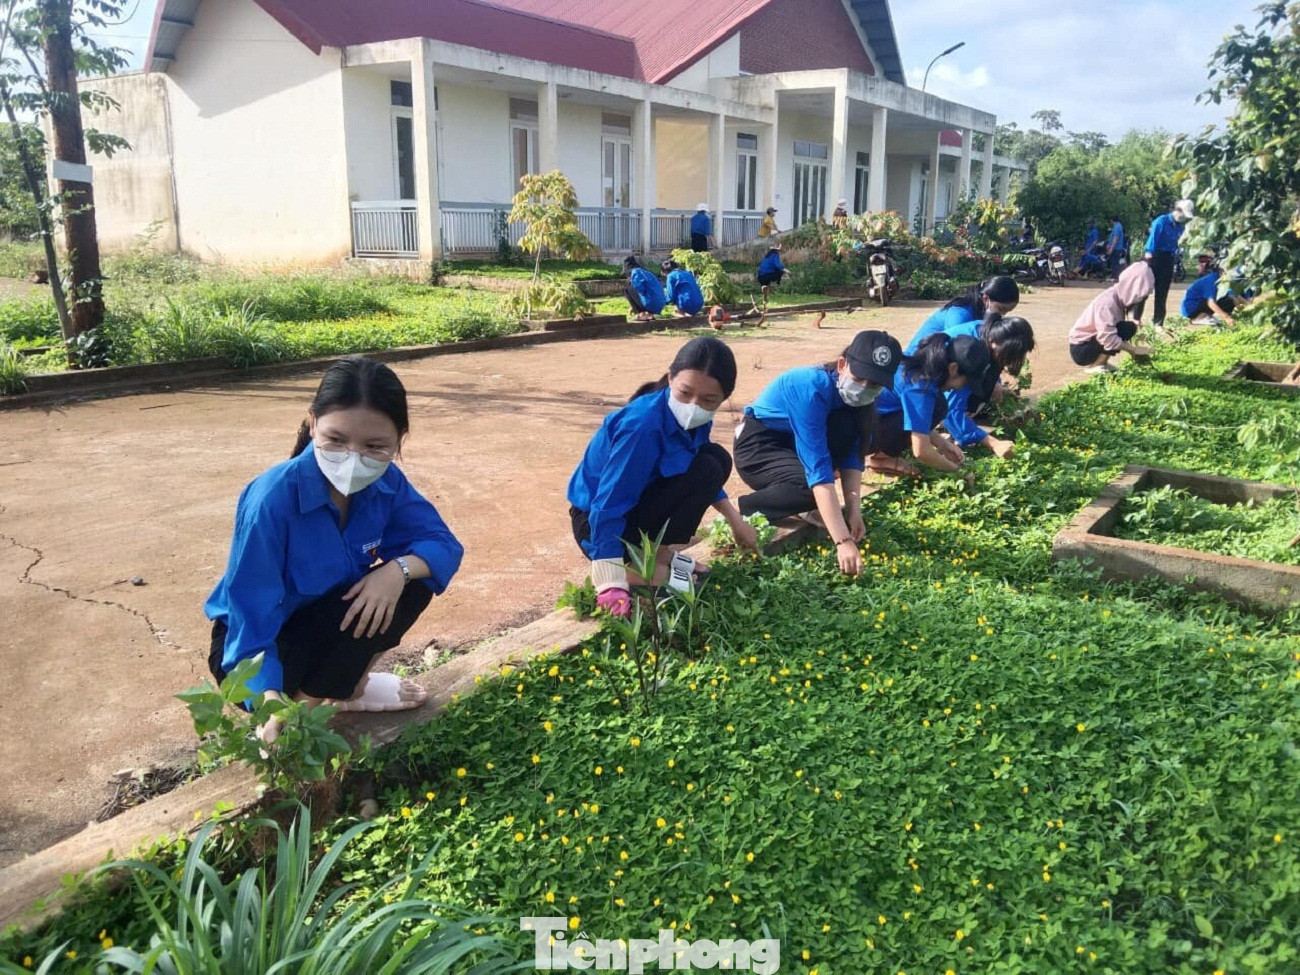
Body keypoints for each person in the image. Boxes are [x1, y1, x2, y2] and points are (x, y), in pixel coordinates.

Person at [205, 356, 464, 744]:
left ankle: (336, 695)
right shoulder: (272, 500)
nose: (353, 458)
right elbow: (250, 620)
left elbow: (442, 544)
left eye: (375, 446)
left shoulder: (387, 484)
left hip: (326, 623)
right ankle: (297, 716)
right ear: (312, 425)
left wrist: (396, 572)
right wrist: (270, 700)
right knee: (280, 709)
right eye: (336, 440)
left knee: (415, 581)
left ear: (399, 441)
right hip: (257, 648)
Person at [568, 337, 758, 617]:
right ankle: (632, 568)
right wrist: (609, 580)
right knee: (707, 467)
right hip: (595, 525)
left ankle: (654, 554)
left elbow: (697, 469)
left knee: (714, 461)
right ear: (671, 379)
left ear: (722, 399)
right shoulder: (642, 429)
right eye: (685, 393)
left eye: (708, 400)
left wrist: (735, 520)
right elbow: (609, 503)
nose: (694, 405)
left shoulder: (696, 420)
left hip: (637, 509)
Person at [734, 330, 902, 576]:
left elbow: (853, 455)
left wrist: (854, 510)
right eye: (860, 378)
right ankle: (749, 508)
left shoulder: (860, 402)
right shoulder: (810, 388)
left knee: (825, 480)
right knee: (810, 488)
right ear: (843, 365)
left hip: (792, 445)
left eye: (874, 385)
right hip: (759, 446)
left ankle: (804, 502)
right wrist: (843, 542)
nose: (865, 388)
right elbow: (818, 470)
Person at [906, 313, 1035, 460]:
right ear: (993, 342)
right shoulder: (967, 356)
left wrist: (997, 383)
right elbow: (952, 410)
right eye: (1008, 355)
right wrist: (993, 443)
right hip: (918, 381)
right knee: (944, 408)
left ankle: (956, 428)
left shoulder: (990, 332)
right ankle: (936, 430)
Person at [867, 334, 993, 477]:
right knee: (938, 407)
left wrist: (942, 444)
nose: (961, 388)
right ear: (953, 368)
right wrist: (959, 472)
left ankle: (882, 454)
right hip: (861, 434)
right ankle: (882, 457)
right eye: (965, 382)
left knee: (938, 404)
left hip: (874, 419)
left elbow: (916, 416)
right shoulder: (921, 386)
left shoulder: (926, 366)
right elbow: (921, 451)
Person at [1068, 261, 1156, 373]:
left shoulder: (1118, 296)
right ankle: (1096, 365)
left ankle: (1103, 362)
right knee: (1121, 331)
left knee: (1128, 328)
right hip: (1081, 348)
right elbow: (1106, 337)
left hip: (1092, 341)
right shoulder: (1108, 303)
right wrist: (1134, 350)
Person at [906, 277, 1020, 351]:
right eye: (1000, 309)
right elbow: (956, 352)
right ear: (986, 299)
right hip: (915, 367)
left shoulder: (981, 314)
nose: (1001, 315)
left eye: (1007, 312)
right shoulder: (960, 314)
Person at [1141, 198, 1194, 325]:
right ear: (1177, 210)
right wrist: (1149, 255)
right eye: (1183, 214)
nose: (1184, 218)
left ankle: (1158, 322)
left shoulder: (1180, 227)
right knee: (1143, 291)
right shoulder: (1161, 221)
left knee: (1162, 291)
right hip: (1154, 257)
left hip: (1168, 258)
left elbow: (1177, 243)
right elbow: (1153, 239)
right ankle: (1136, 320)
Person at [624, 255, 666, 321]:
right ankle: (649, 314)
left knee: (627, 285)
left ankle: (642, 314)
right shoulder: (646, 272)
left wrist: (635, 306)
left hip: (650, 304)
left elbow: (640, 289)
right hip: (659, 305)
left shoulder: (635, 272)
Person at [1105, 215, 1126, 280]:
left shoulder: (1117, 227)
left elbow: (1116, 238)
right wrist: (1109, 244)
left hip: (1116, 248)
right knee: (1113, 262)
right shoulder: (1117, 226)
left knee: (1115, 262)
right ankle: (1114, 276)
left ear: (1112, 220)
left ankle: (1116, 277)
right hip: (1115, 247)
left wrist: (1111, 247)